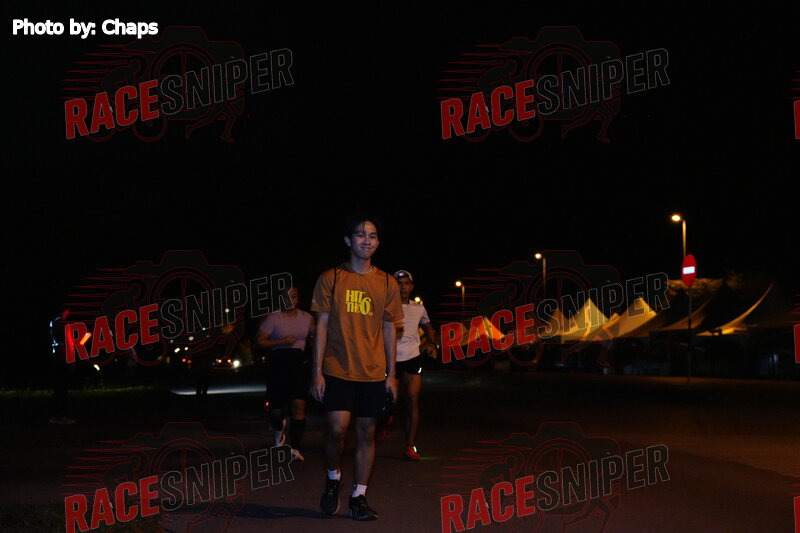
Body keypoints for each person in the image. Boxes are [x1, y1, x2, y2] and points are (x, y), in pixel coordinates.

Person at [310, 215, 403, 521]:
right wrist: (317, 372)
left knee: (367, 432)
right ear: (348, 240)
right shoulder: (332, 278)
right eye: (361, 235)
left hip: (373, 372)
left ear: (378, 242)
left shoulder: (387, 282)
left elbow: (389, 329)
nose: (367, 240)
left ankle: (358, 497)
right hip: (337, 368)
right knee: (336, 430)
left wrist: (391, 375)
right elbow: (321, 327)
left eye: (372, 235)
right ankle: (333, 476)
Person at [257, 286, 314, 462]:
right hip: (278, 363)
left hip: (299, 363)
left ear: (298, 299)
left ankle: (295, 448)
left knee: (299, 405)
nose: (290, 300)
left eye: (294, 296)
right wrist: (281, 341)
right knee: (276, 410)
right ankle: (278, 426)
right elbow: (260, 342)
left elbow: (315, 338)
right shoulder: (273, 318)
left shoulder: (307, 318)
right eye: (286, 297)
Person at [389, 270, 436, 460]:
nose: (402, 287)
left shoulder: (418, 308)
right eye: (399, 283)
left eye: (406, 283)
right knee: (389, 403)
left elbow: (428, 327)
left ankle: (410, 445)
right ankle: (383, 424)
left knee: (412, 399)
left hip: (412, 357)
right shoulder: (385, 306)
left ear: (411, 287)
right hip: (390, 359)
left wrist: (431, 344)